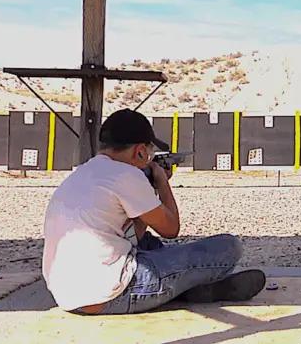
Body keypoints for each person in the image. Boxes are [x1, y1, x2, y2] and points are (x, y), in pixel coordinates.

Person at [42, 108, 266, 315]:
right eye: (148, 152)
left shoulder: (84, 171)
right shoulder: (126, 175)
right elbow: (171, 229)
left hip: (69, 296)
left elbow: (134, 236)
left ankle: (193, 287)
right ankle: (194, 287)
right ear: (139, 151)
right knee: (229, 246)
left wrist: (148, 192)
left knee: (149, 242)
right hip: (111, 294)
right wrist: (162, 183)